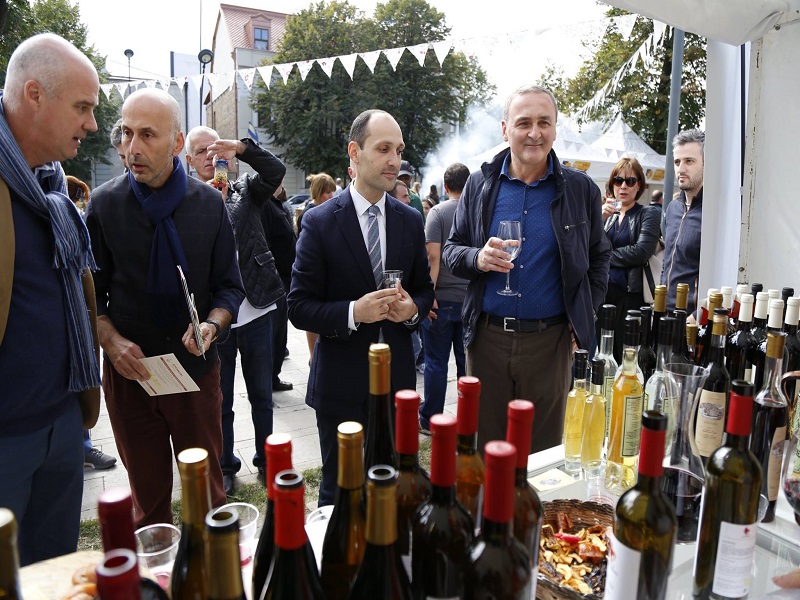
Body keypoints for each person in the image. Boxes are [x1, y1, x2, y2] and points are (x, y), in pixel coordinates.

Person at [86, 88, 245, 527]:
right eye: (127, 133)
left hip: (193, 375)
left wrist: (211, 325)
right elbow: (90, 297)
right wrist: (111, 340)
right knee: (149, 506)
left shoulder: (210, 205)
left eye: (148, 135)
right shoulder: (103, 206)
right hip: (130, 376)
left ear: (177, 143)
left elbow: (230, 289)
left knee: (208, 499)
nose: (132, 148)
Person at [442, 84, 611, 454]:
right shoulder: (480, 184)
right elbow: (451, 251)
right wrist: (478, 258)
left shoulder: (580, 189)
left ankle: (534, 515)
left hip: (549, 345)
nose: (534, 132)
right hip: (486, 340)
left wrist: (584, 312)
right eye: (524, 123)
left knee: (542, 455)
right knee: (483, 451)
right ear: (505, 129)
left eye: (543, 122)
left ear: (554, 128)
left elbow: (600, 258)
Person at [288, 109, 434, 506]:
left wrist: (413, 311)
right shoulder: (319, 221)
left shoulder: (408, 219)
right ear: (354, 152)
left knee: (394, 491)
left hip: (398, 382)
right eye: (383, 148)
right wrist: (355, 311)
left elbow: (423, 290)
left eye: (399, 150)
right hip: (342, 383)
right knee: (341, 495)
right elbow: (298, 307)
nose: (395, 160)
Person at [0, 32, 102, 565]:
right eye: (82, 107)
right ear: (34, 94)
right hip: (5, 441)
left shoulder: (55, 187)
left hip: (63, 424)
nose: (92, 124)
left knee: (55, 573)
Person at [185, 126, 286, 496]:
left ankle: (266, 458)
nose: (210, 157)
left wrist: (243, 149)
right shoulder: (187, 199)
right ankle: (226, 464)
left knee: (262, 394)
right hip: (218, 318)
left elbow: (275, 172)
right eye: (202, 152)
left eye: (216, 150)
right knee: (220, 398)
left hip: (257, 309)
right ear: (189, 160)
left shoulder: (246, 190)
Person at [419, 162, 471, 433]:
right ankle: (467, 420)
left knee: (436, 363)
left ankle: (431, 420)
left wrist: (429, 294)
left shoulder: (437, 213)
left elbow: (433, 257)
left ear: (446, 186)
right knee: (466, 365)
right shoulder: (476, 212)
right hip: (470, 301)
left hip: (441, 301)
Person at [598, 158, 661, 362]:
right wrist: (599, 220)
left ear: (639, 185)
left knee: (627, 358)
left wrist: (605, 258)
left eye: (630, 181)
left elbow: (641, 251)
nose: (623, 186)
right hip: (603, 296)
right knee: (603, 358)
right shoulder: (608, 217)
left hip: (630, 297)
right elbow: (588, 248)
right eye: (618, 180)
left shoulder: (648, 213)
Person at [661, 129, 704, 316]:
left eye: (689, 161)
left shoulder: (714, 215)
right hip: (663, 311)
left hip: (693, 319)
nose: (681, 169)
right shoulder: (672, 208)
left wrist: (698, 315)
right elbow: (668, 261)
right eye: (677, 162)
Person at [296, 172, 337, 362]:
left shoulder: (329, 211)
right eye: (327, 192)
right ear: (318, 192)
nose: (331, 196)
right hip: (314, 272)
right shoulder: (309, 214)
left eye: (332, 192)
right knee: (313, 317)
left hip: (329, 270)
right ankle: (314, 356)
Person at [261, 183, 297, 393]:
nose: (282, 185)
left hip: (285, 276)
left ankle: (273, 378)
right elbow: (264, 242)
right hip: (276, 278)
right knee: (273, 334)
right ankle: (267, 382)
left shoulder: (277, 204)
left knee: (280, 333)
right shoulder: (265, 205)